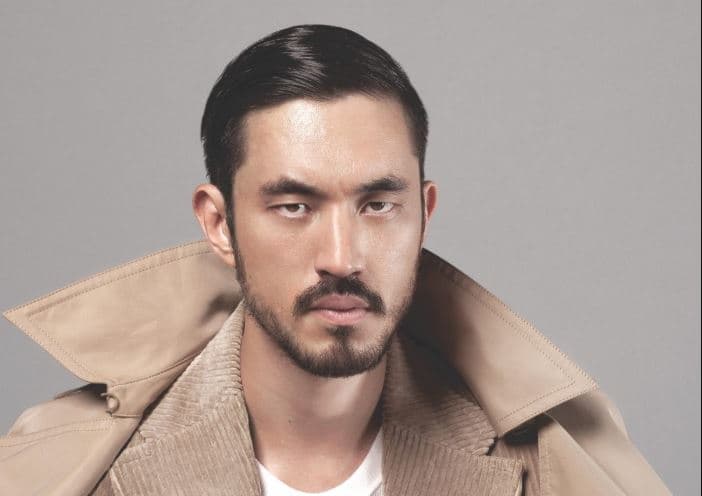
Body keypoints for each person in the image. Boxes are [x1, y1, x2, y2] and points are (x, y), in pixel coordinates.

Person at [0, 24, 671, 496]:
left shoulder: (552, 467)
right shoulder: (67, 471)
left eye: (378, 205)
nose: (342, 258)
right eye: (294, 206)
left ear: (424, 213)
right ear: (219, 224)